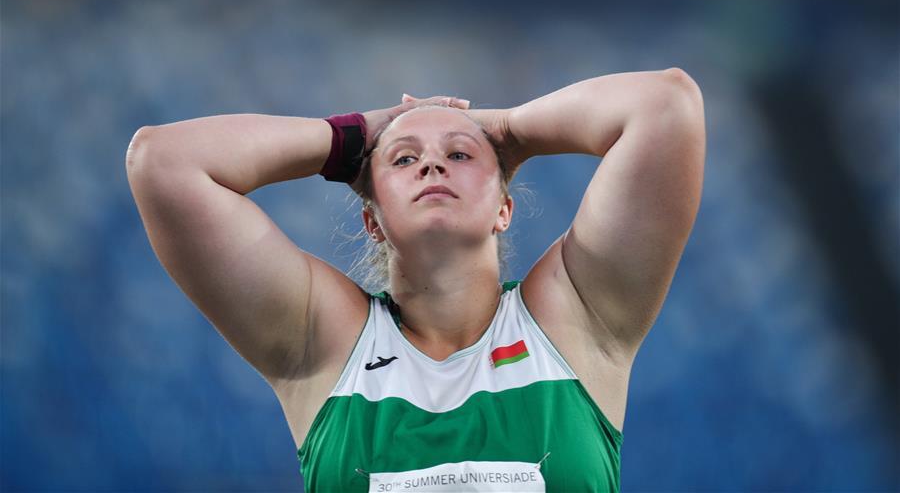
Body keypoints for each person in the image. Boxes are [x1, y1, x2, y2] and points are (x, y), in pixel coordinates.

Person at [125, 68, 705, 492]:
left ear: (503, 208)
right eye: (403, 159)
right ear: (372, 220)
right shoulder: (327, 344)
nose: (432, 165)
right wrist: (351, 137)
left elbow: (666, 106)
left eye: (460, 155)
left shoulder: (575, 318)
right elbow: (162, 163)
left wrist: (508, 129)